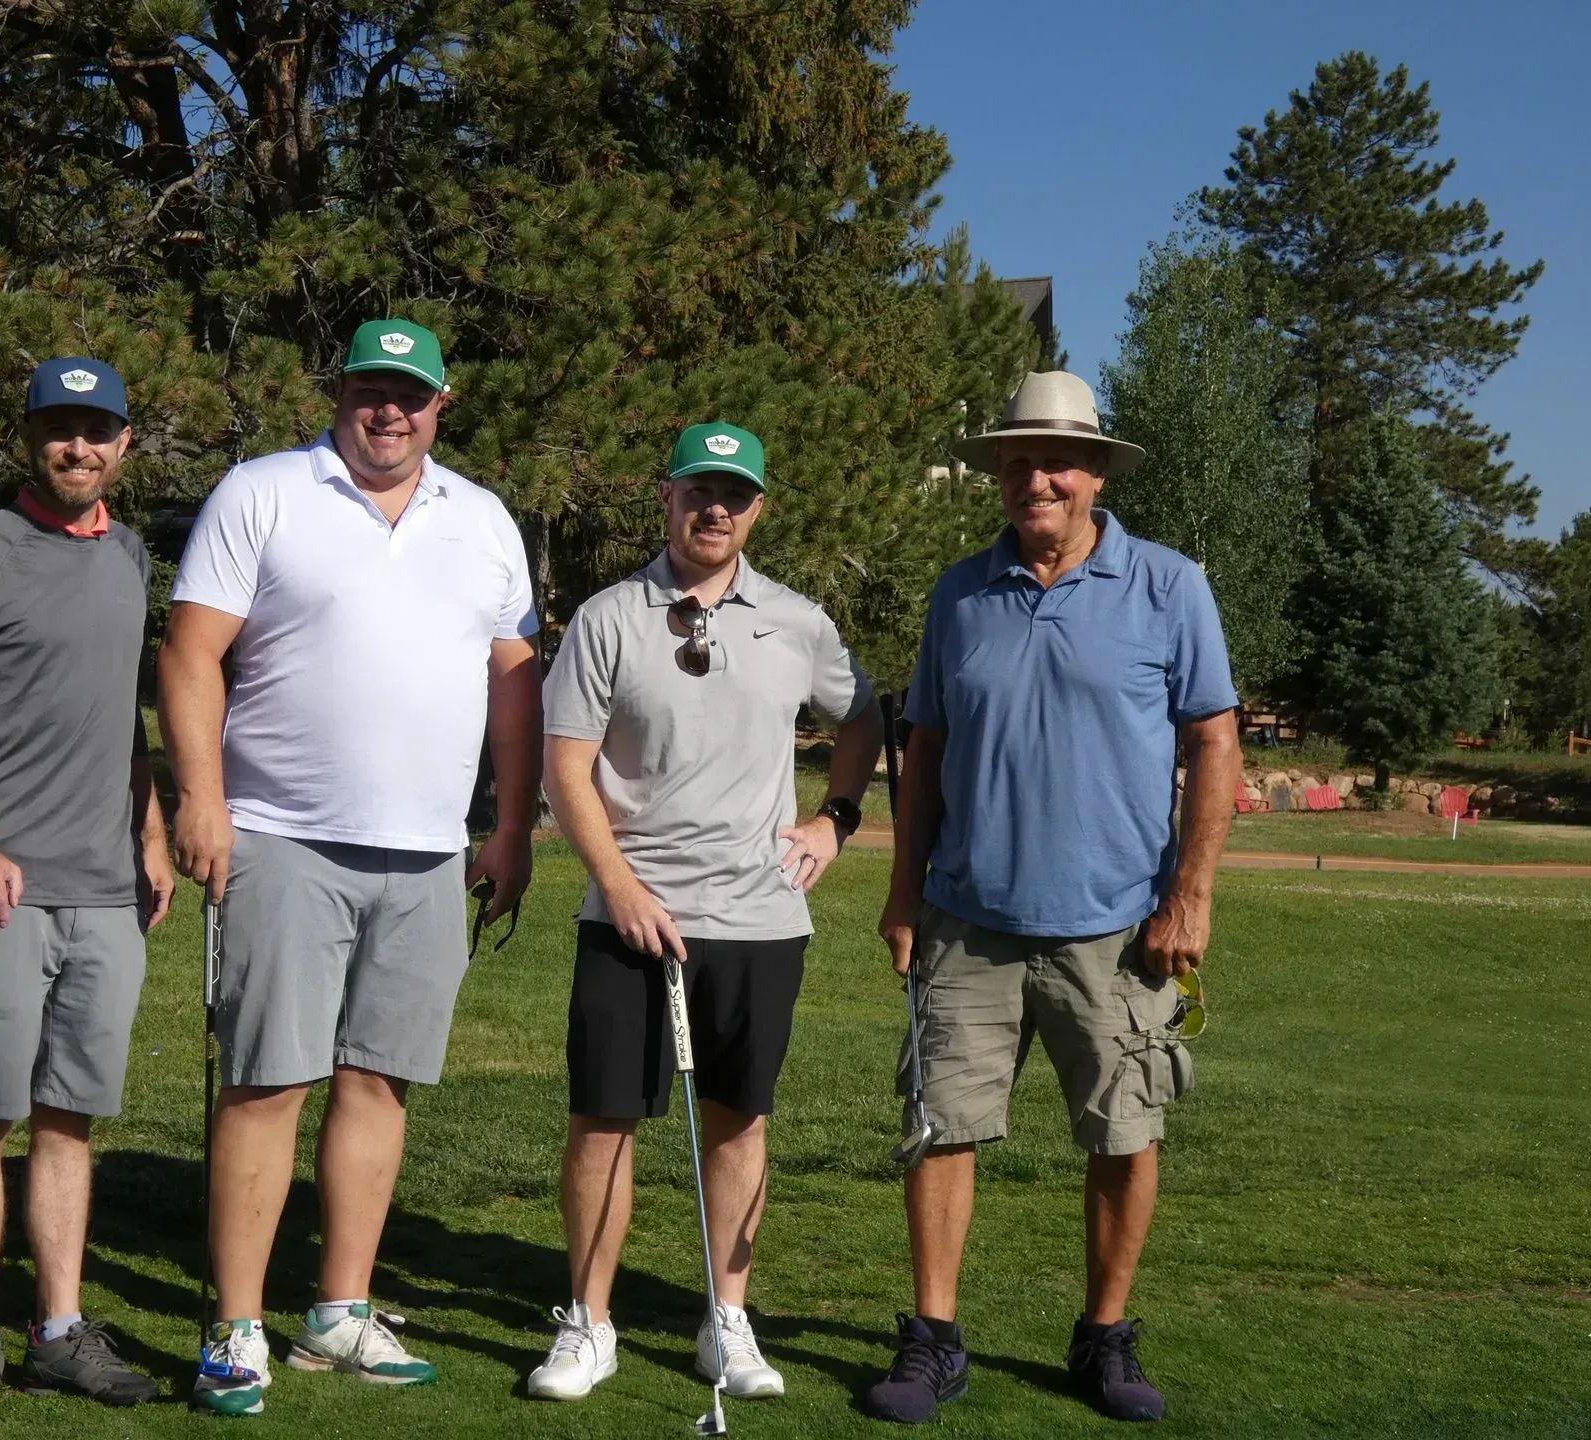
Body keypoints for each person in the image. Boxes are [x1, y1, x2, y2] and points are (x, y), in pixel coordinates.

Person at [160, 319, 542, 1414]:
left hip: (426, 855)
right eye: (372, 390)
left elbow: (514, 681)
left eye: (410, 395)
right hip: (281, 836)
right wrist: (202, 797)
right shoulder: (266, 491)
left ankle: (339, 1311)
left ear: (441, 404)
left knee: (379, 1080)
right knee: (269, 1079)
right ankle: (235, 1327)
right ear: (341, 393)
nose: (391, 410)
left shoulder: (484, 521)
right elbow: (190, 650)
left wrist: (511, 828)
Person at [864, 371, 1242, 1425]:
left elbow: (1213, 740)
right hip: (966, 921)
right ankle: (933, 1339)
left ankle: (1105, 1337)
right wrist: (904, 894)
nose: (1040, 477)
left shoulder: (1170, 586)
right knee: (940, 1128)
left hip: (1118, 930)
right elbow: (924, 748)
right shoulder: (960, 592)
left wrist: (1192, 897)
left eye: (1059, 460)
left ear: (1096, 475)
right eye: (1020, 459)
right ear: (999, 473)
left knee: (1125, 1135)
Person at [528, 422, 882, 1403]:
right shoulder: (609, 618)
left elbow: (865, 718)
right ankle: (588, 1324)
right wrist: (623, 886)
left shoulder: (799, 622)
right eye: (698, 492)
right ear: (667, 499)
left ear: (758, 507)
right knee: (603, 1122)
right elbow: (566, 767)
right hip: (628, 917)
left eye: (734, 494)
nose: (714, 509)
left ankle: (727, 1319)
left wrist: (834, 820)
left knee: (739, 1123)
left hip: (759, 918)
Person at [0, 357, 173, 1431]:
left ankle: (61, 1332)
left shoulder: (131, 558)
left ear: (124, 443)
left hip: (108, 891)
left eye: (97, 430)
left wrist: (149, 832)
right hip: (1, 891)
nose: (79, 447)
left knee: (72, 1115)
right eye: (60, 429)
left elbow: (126, 717)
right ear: (30, 439)